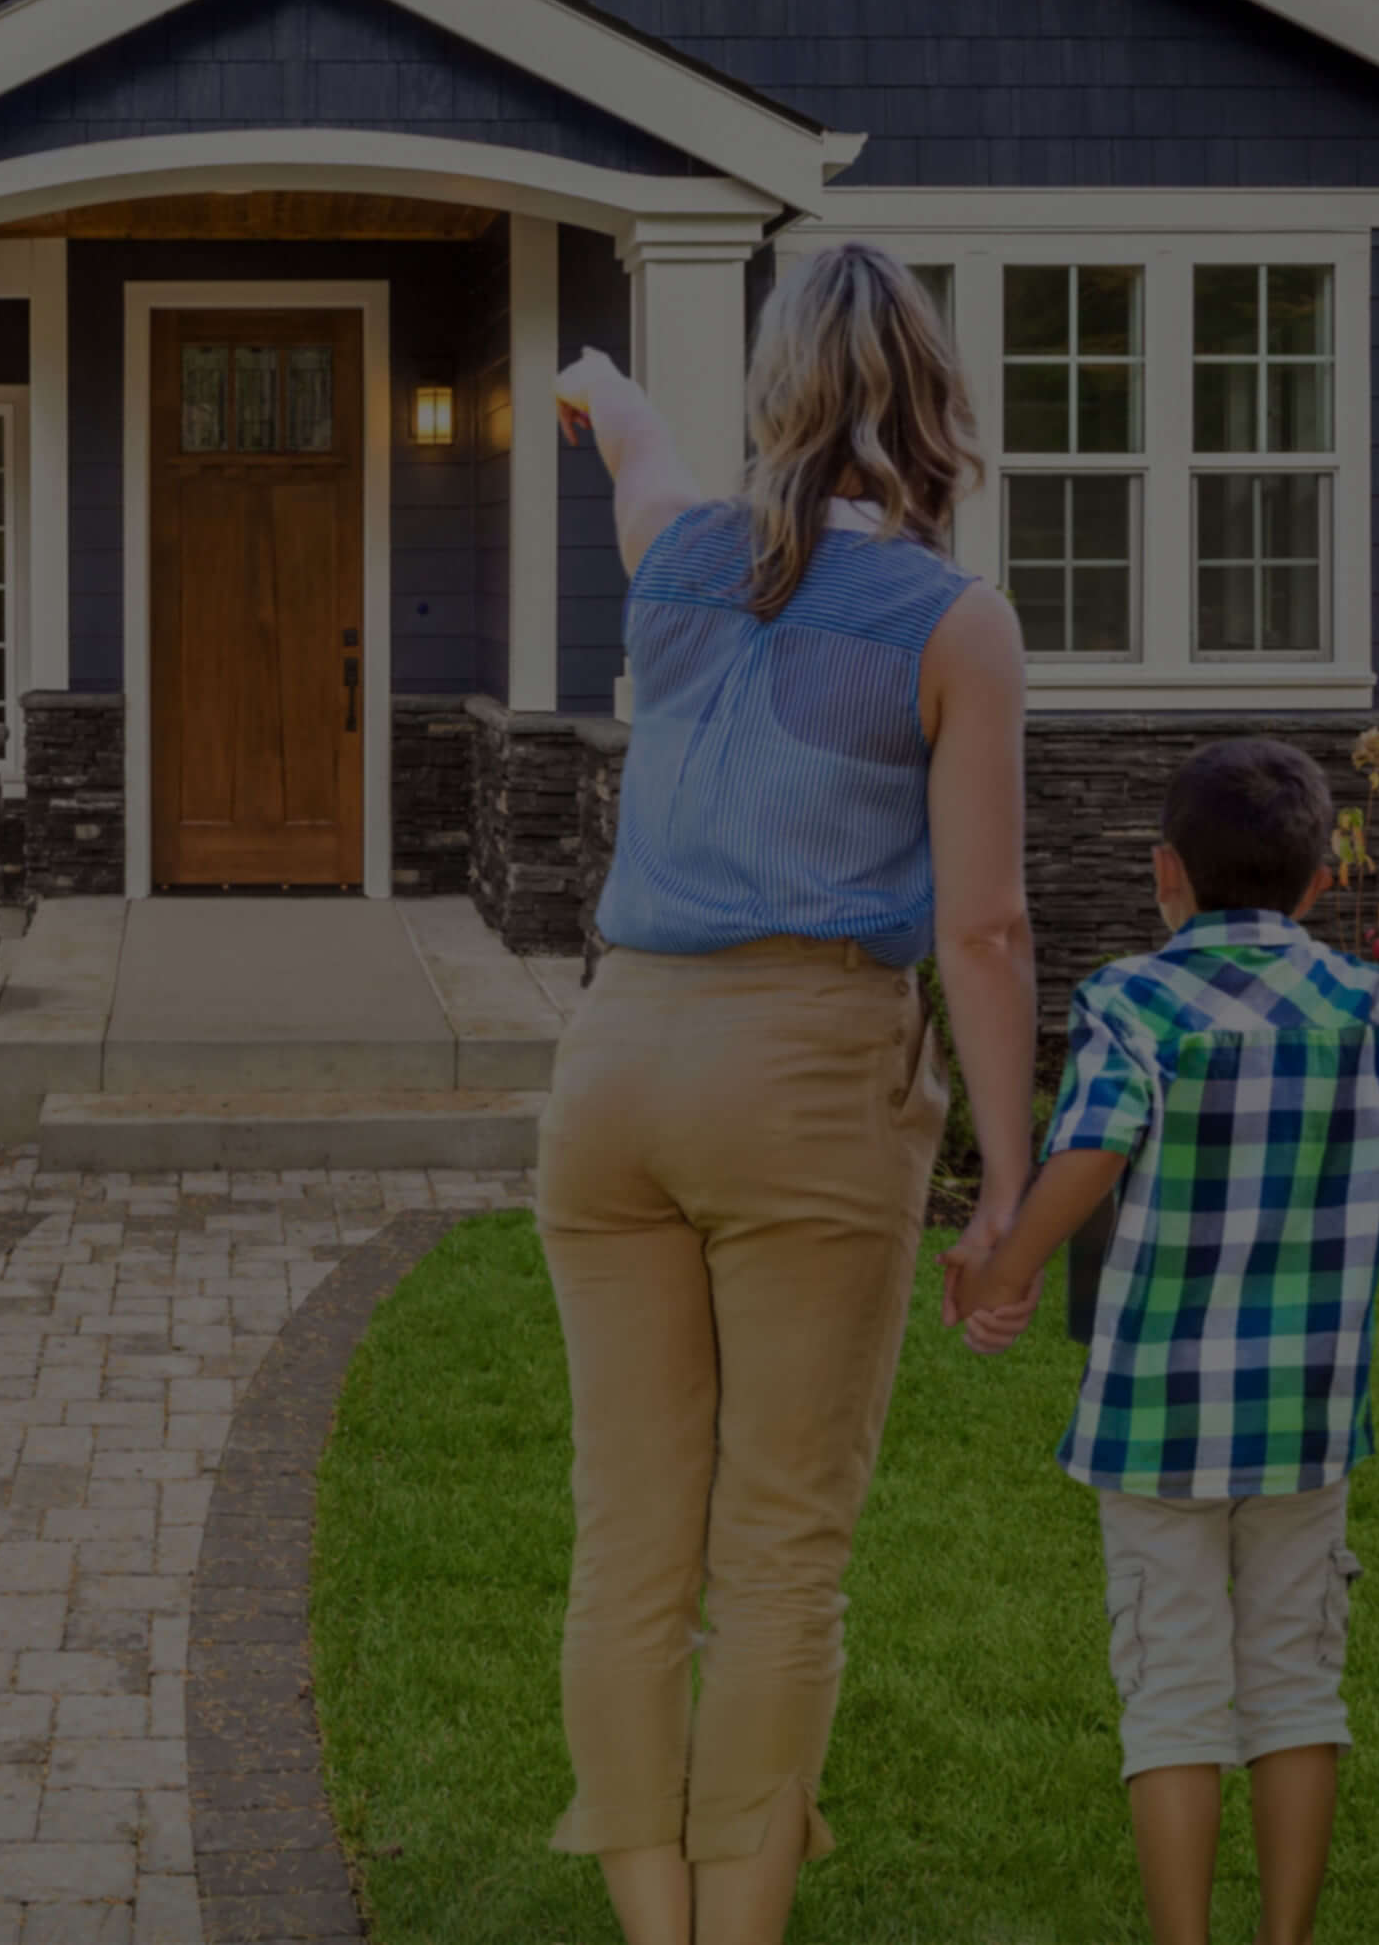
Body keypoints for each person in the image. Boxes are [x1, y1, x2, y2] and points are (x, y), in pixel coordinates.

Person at [540, 240, 1042, 1945]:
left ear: (779, 392)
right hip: (808, 1079)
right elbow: (981, 927)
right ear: (933, 394)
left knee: (630, 1542)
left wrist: (597, 384)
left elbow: (634, 445)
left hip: (614, 1068)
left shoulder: (676, 556)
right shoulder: (954, 621)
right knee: (777, 1548)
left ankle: (656, 1924)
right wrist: (1011, 1185)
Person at [950, 737, 1379, 1945]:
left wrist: (1005, 1268)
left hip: (1152, 1420)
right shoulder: (1370, 1002)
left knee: (1171, 1696)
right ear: (1321, 882)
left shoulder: (1128, 999)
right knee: (1294, 1688)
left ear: (1163, 872)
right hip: (1305, 1420)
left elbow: (1092, 1154)